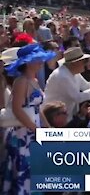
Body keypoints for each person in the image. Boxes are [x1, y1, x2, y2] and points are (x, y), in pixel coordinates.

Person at [3, 43, 55, 194]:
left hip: (33, 130)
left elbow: (38, 109)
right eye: (37, 59)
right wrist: (35, 129)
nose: (40, 62)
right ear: (27, 62)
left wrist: (46, 128)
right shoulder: (21, 81)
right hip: (22, 132)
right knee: (23, 169)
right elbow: (16, 109)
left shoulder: (35, 81)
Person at [44, 47, 90, 122]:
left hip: (65, 116)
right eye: (83, 61)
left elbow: (86, 86)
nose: (85, 63)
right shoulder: (62, 76)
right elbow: (77, 97)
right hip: (53, 118)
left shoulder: (74, 73)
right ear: (75, 63)